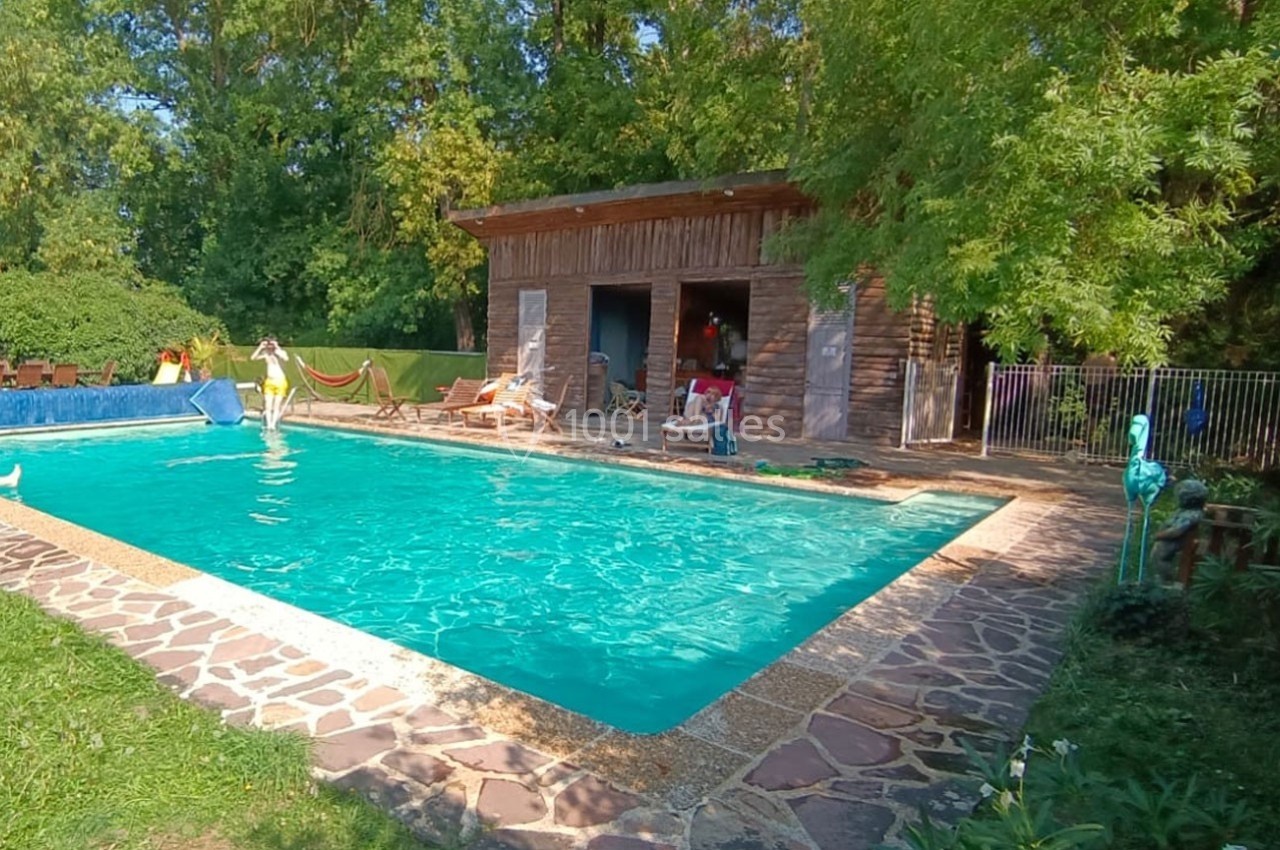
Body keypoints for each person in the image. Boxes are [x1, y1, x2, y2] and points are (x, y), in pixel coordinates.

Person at [251, 337, 290, 431]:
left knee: (276, 404)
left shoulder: (280, 352)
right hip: (269, 381)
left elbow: (286, 358)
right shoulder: (266, 354)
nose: (270, 347)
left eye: (271, 344)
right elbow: (253, 358)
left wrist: (277, 347)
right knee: (268, 404)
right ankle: (269, 425)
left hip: (280, 381)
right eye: (269, 345)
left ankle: (273, 424)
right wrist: (260, 347)